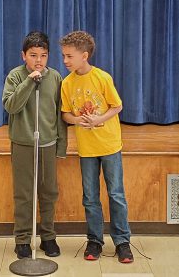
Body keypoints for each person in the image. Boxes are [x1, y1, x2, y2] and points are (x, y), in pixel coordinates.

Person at [59, 31, 133, 263]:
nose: (65, 61)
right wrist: (78, 120)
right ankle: (94, 240)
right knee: (90, 197)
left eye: (69, 56)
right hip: (87, 149)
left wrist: (99, 119)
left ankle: (122, 241)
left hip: (109, 145)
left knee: (116, 194)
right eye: (63, 56)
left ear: (85, 55)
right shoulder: (67, 83)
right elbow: (65, 114)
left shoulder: (102, 78)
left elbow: (117, 106)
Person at [2, 31, 67, 259]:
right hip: (23, 143)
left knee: (49, 192)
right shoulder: (15, 76)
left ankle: (47, 237)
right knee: (24, 194)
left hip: (48, 143)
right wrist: (29, 82)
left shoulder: (56, 77)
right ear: (23, 56)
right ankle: (22, 239)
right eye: (33, 55)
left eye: (43, 55)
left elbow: (60, 114)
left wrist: (61, 146)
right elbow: (11, 106)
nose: (38, 60)